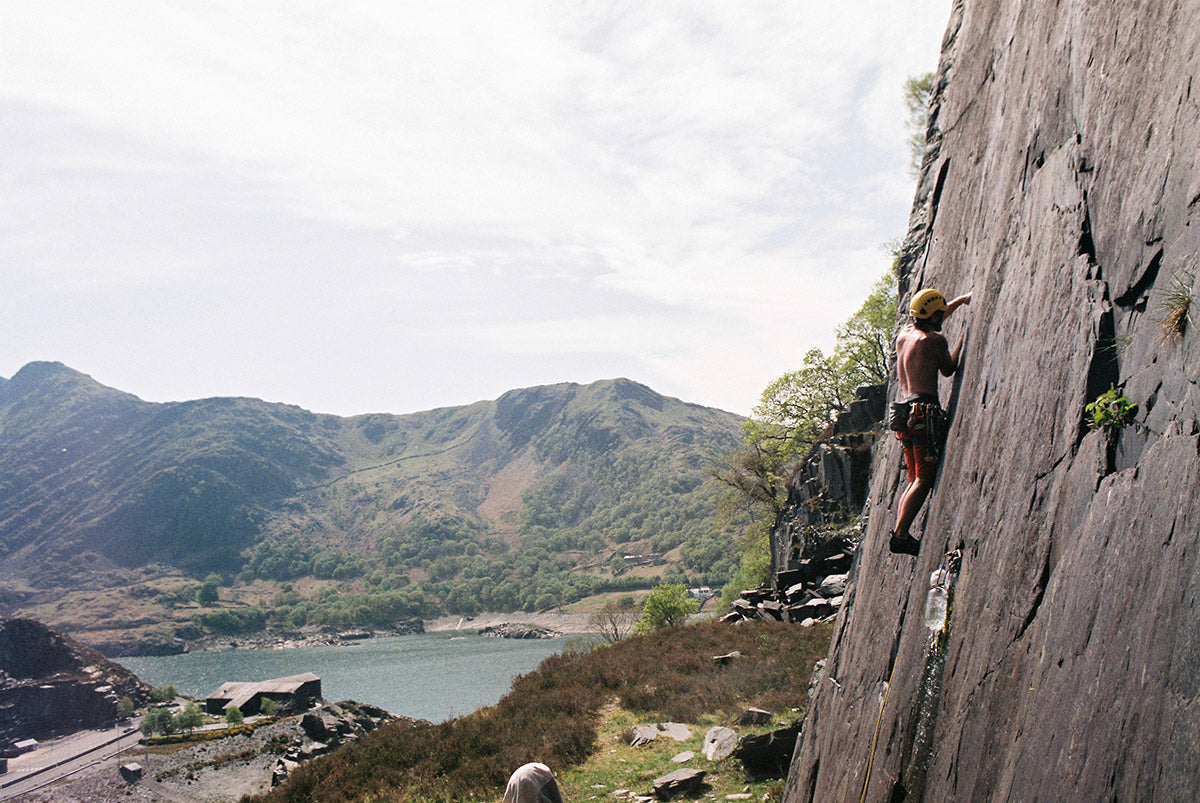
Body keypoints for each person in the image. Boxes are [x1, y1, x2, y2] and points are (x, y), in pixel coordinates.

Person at [888, 288, 972, 556]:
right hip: (924, 412)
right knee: (924, 479)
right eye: (940, 314)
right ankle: (900, 535)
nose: (943, 318)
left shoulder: (905, 335)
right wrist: (962, 342)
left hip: (904, 413)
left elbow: (935, 314)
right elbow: (948, 369)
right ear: (933, 316)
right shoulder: (934, 341)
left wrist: (960, 300)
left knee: (913, 477)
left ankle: (900, 531)